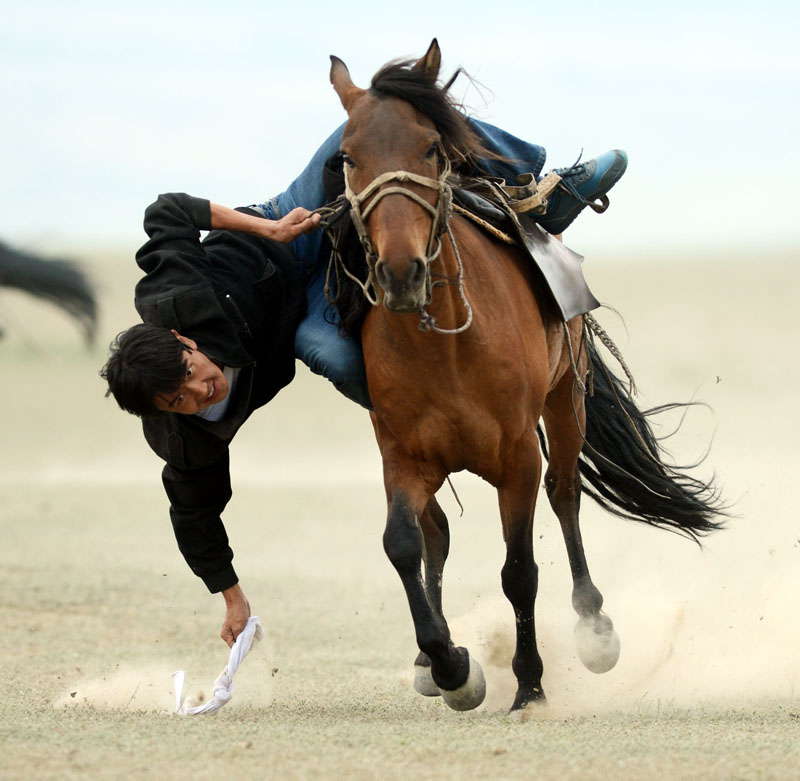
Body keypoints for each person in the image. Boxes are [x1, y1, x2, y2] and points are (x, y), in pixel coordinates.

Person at [101, 115, 627, 647]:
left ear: (182, 339)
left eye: (190, 375)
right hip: (306, 313)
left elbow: (165, 211)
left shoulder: (175, 293)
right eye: (179, 400)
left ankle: (539, 180)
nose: (200, 393)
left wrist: (270, 228)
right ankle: (420, 452)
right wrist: (233, 598)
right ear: (162, 411)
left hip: (289, 236)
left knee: (378, 113)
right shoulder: (185, 436)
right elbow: (195, 516)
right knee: (339, 358)